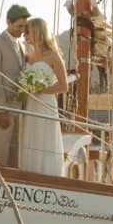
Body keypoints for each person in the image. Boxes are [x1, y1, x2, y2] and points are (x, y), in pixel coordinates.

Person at [20, 17, 67, 176]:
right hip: (30, 104)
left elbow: (64, 86)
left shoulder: (53, 56)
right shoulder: (27, 56)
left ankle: (48, 175)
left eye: (27, 32)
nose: (24, 35)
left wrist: (41, 90)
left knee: (44, 139)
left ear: (37, 32)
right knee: (31, 137)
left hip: (46, 104)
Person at [0, 5, 30, 167]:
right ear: (8, 22)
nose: (22, 30)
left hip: (19, 110)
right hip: (3, 111)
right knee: (2, 156)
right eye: (19, 26)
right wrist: (1, 111)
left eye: (24, 27)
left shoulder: (22, 45)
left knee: (15, 158)